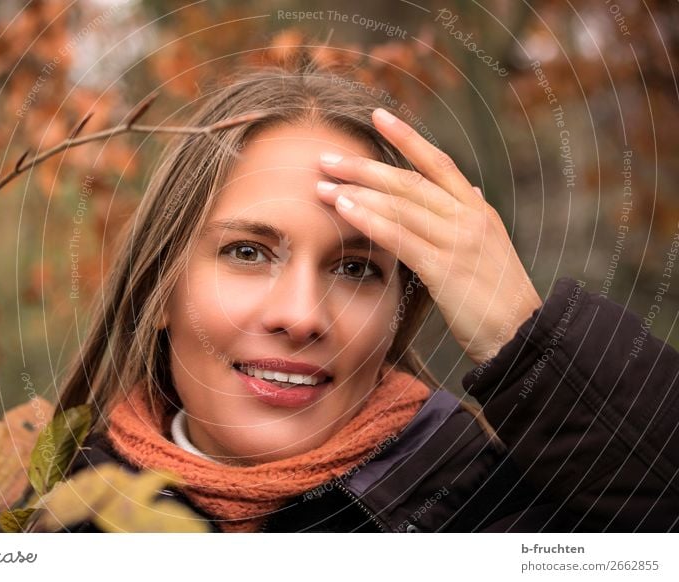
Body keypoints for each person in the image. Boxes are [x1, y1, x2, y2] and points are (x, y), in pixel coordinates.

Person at [55, 62, 679, 533]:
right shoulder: (53, 526)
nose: (300, 316)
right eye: (247, 252)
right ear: (161, 289)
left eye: (356, 268)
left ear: (399, 313)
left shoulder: (511, 520)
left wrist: (526, 337)